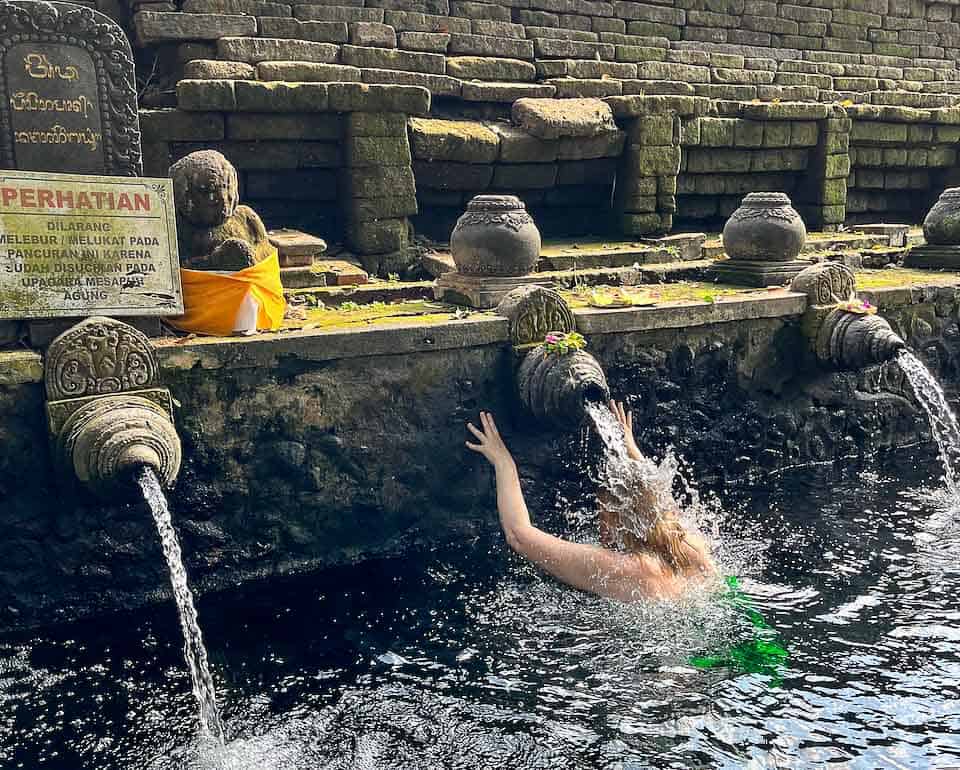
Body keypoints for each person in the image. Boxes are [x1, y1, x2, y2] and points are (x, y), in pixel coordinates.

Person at [465, 402, 716, 601]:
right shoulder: (688, 546)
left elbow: (519, 535)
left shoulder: (622, 568)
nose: (600, 519)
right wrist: (629, 447)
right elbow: (657, 498)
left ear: (618, 516)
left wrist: (503, 461)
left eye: (603, 510)